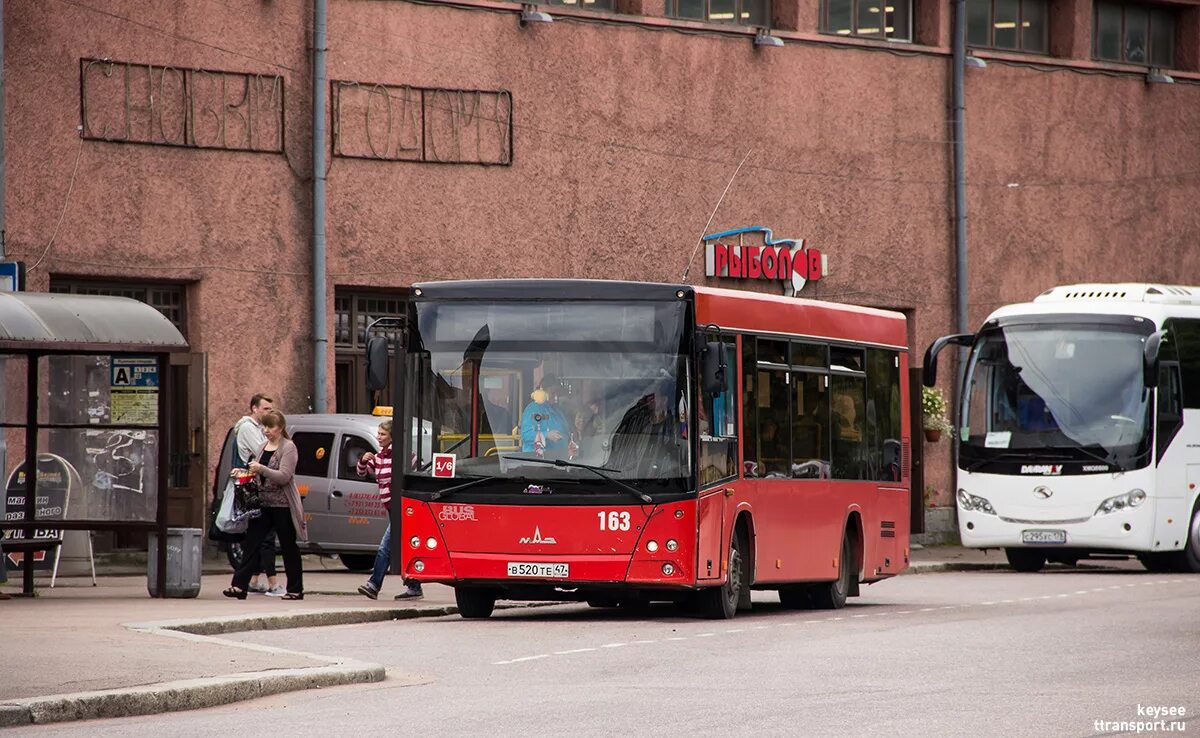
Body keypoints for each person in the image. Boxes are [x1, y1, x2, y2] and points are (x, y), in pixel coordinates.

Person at [224, 411, 307, 601]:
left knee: (288, 546)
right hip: (261, 504)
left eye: (271, 427)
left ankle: (295, 589)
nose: (267, 431)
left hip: (282, 505)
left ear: (281, 428)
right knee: (252, 543)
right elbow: (256, 472)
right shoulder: (262, 446)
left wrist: (262, 469)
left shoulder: (289, 447)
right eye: (265, 427)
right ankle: (239, 586)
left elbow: (284, 476)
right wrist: (243, 472)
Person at [355, 421, 423, 601]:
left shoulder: (403, 456)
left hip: (403, 509)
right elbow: (363, 472)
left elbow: (419, 472)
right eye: (378, 433)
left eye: (383, 434)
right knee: (402, 547)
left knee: (385, 547)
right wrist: (363, 460)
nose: (379, 437)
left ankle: (373, 585)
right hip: (390, 509)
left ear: (392, 436)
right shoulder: (379, 457)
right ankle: (414, 587)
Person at [232, 393, 283, 596]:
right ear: (254, 408)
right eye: (265, 409)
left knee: (258, 535)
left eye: (271, 410)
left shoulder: (258, 429)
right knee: (265, 537)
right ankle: (273, 583)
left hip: (259, 485)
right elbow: (263, 454)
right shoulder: (247, 428)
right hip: (253, 487)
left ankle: (251, 579)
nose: (268, 413)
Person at [520, 374, 569, 457]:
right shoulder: (534, 409)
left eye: (558, 392)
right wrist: (546, 435)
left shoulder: (558, 412)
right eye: (553, 392)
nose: (556, 396)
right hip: (538, 461)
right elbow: (526, 434)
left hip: (558, 460)